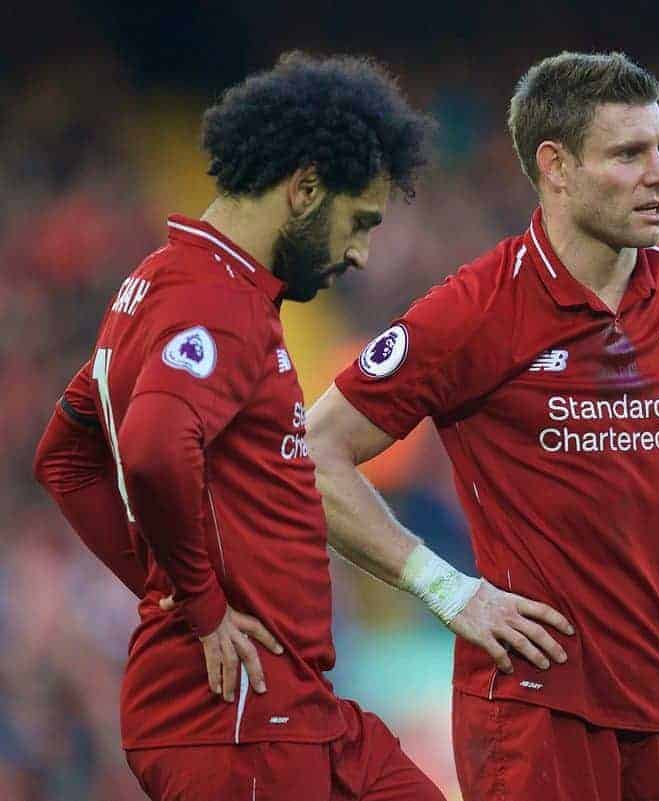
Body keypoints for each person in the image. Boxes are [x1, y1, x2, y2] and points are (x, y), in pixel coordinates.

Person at [305, 51, 659, 801]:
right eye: (629, 153)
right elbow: (316, 451)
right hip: (537, 709)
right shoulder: (475, 309)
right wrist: (449, 591)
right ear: (557, 166)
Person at [32, 51, 477, 801]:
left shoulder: (167, 285)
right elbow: (147, 451)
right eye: (358, 222)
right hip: (232, 710)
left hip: (290, 701)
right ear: (304, 187)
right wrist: (197, 607)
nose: (362, 253)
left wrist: (169, 589)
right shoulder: (216, 302)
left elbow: (66, 456)